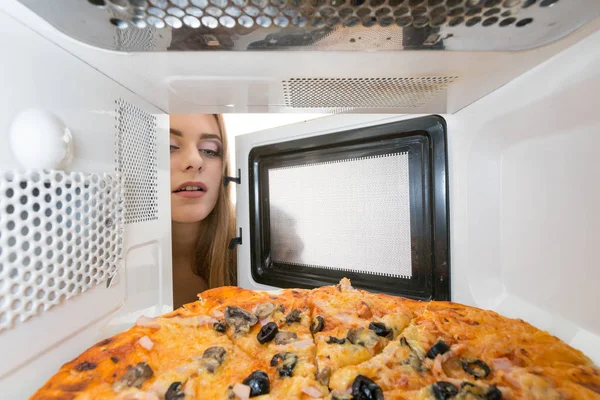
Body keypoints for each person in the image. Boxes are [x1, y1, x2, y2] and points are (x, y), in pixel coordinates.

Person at [169, 114, 236, 308]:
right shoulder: (100, 262)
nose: (195, 161)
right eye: (169, 147)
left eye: (209, 150)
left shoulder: (258, 250)